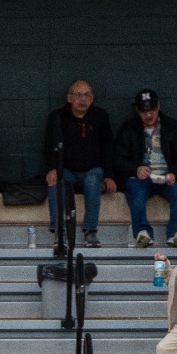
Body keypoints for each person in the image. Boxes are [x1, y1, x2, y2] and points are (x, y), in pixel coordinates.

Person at [105, 87, 177, 249]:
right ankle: (142, 232)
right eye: (144, 112)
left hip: (165, 176)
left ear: (158, 107)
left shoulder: (172, 127)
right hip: (141, 178)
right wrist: (135, 169)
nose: (148, 115)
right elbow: (118, 159)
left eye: (152, 110)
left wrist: (175, 174)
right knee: (135, 191)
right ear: (137, 111)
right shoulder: (129, 129)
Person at [44, 80, 117, 248]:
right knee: (57, 181)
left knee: (93, 180)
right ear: (69, 98)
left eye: (87, 95)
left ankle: (90, 231)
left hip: (92, 172)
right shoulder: (58, 117)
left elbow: (108, 148)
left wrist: (109, 176)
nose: (82, 99)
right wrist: (51, 169)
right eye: (78, 95)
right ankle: (60, 233)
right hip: (67, 171)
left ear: (92, 98)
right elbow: (49, 147)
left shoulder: (100, 116)